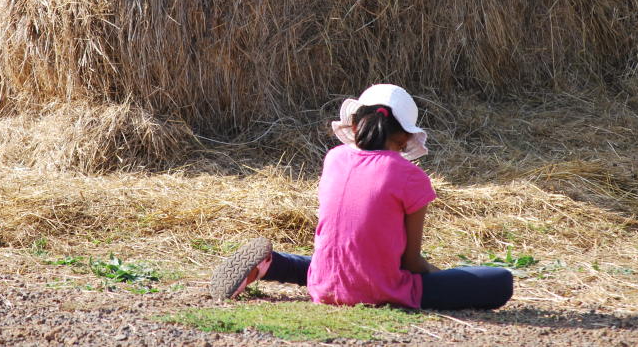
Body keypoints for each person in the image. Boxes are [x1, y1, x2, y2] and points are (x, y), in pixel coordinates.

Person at [209, 83, 513, 311]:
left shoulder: (334, 158)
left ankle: (273, 265)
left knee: (340, 261)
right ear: (406, 137)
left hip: (323, 285)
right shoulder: (411, 176)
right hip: (377, 291)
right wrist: (442, 275)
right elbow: (411, 262)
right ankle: (277, 266)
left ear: (354, 125)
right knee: (499, 280)